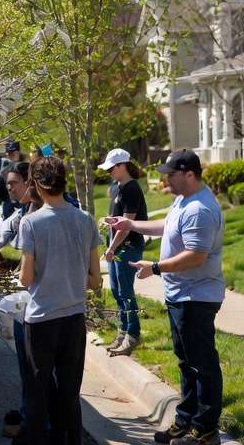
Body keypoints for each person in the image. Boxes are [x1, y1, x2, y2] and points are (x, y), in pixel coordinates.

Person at [107, 150, 225, 445]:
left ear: (189, 174)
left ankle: (206, 429)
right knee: (187, 362)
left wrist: (156, 268)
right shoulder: (183, 201)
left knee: (202, 363)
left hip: (196, 298)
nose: (165, 179)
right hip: (181, 295)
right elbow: (166, 227)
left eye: (170, 174)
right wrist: (130, 225)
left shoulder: (200, 208)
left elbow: (196, 257)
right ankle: (186, 420)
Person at [14, 156, 102, 445]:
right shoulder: (86, 219)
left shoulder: (30, 223)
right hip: (74, 318)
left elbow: (26, 279)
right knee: (69, 393)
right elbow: (95, 280)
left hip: (41, 319)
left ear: (37, 184)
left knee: (38, 393)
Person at [0, 160, 33, 439]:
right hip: (27, 303)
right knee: (27, 368)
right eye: (7, 183)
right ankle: (29, 413)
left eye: (14, 183)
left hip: (38, 304)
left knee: (34, 367)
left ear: (31, 182)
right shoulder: (24, 211)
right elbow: (3, 234)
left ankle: (34, 422)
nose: (9, 188)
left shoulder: (38, 215)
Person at [98, 147, 148, 356]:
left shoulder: (131, 189)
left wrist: (111, 247)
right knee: (118, 292)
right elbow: (119, 219)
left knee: (126, 292)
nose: (108, 172)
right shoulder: (118, 187)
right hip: (117, 247)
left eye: (111, 168)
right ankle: (122, 331)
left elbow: (127, 225)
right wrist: (109, 221)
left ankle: (133, 334)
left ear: (122, 166)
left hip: (127, 248)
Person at [0, 140, 26, 220]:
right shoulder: (5, 171)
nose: (10, 156)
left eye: (12, 153)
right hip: (9, 206)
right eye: (9, 154)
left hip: (25, 204)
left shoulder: (28, 168)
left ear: (18, 152)